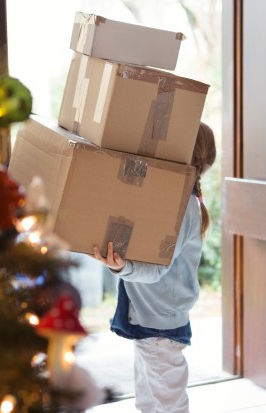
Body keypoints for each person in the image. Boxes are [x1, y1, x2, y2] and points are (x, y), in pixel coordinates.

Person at [92, 122, 217, 413]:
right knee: (148, 401)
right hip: (150, 319)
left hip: (159, 325)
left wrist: (122, 268)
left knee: (169, 405)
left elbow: (157, 269)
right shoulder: (171, 199)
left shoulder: (183, 207)